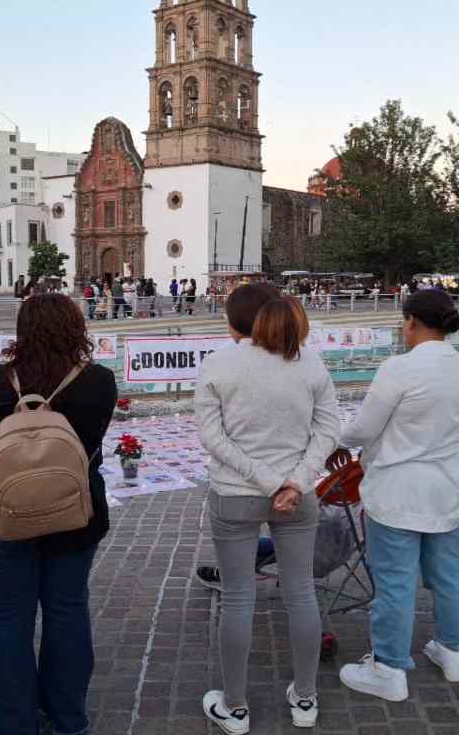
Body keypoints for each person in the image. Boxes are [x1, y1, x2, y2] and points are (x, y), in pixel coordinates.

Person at [0, 295, 117, 735]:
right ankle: (68, 718)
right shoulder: (99, 382)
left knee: (8, 620)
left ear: (22, 331)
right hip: (75, 515)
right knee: (68, 612)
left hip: (2, 520)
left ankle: (14, 723)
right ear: (76, 329)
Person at [195, 285, 339, 733]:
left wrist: (269, 480)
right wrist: (295, 480)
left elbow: (212, 438)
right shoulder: (309, 363)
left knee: (239, 596)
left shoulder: (218, 364)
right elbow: (329, 428)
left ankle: (235, 706)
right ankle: (305, 697)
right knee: (301, 593)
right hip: (297, 495)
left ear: (237, 321)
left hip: (236, 492)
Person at [336, 290, 459, 702]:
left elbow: (363, 429)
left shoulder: (400, 368)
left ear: (411, 320)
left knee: (396, 583)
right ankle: (454, 651)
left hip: (398, 489)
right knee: (448, 573)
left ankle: (389, 668)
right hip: (446, 486)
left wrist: (333, 439)